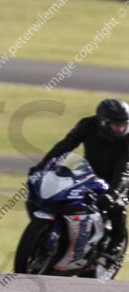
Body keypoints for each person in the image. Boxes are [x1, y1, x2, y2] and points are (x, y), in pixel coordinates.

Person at [30, 98, 129, 259]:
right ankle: (61, 231)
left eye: (124, 124)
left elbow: (124, 169)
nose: (121, 128)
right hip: (91, 172)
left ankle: (116, 244)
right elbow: (66, 145)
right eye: (116, 124)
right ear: (103, 121)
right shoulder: (88, 125)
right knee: (64, 193)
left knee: (116, 206)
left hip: (121, 179)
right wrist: (43, 165)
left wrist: (112, 193)